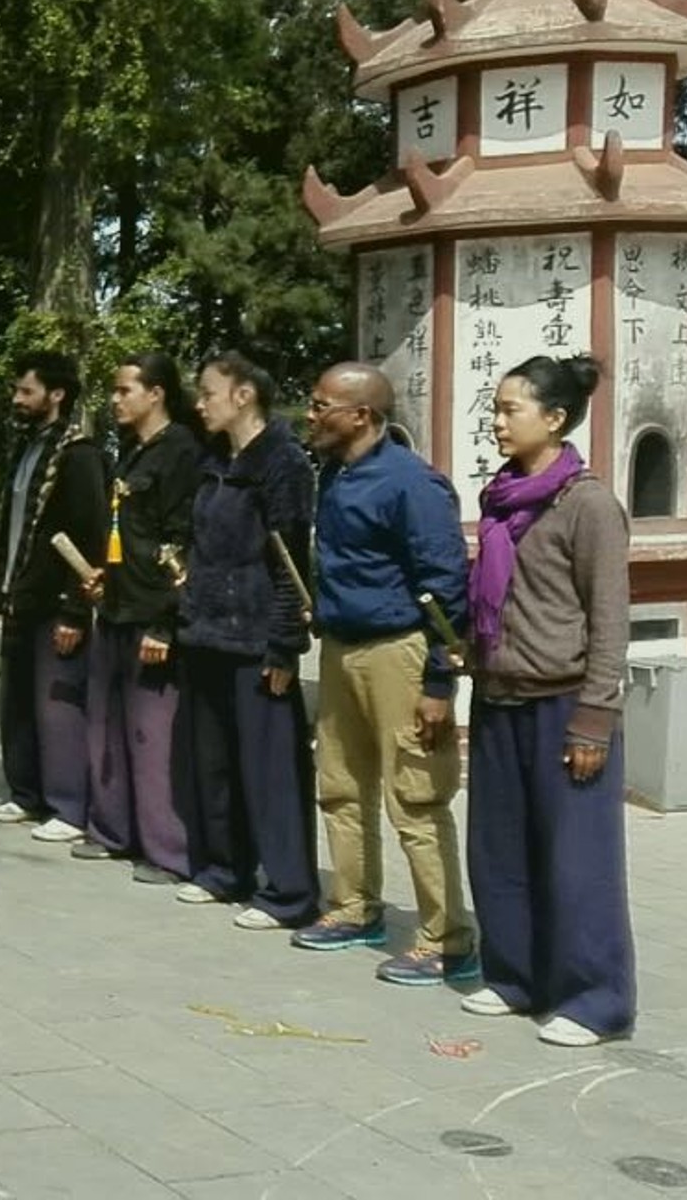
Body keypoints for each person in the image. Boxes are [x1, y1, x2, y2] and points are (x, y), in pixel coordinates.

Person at [460, 356, 633, 1046]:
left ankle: (595, 999)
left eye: (511, 409)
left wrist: (596, 717)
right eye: (496, 409)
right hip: (500, 695)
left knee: (577, 859)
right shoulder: (501, 498)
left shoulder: (588, 505)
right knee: (499, 850)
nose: (498, 422)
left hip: (565, 704)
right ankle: (514, 975)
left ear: (555, 418)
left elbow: (610, 618)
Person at [302, 363, 477, 986]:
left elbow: (446, 584)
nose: (310, 415)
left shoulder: (413, 484)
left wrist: (438, 682)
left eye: (321, 405)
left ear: (361, 415)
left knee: (415, 797)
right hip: (341, 647)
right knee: (340, 786)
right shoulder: (334, 473)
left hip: (397, 651)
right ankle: (354, 907)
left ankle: (446, 938)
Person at [176, 354, 321, 930]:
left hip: (257, 637)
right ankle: (225, 869)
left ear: (243, 396)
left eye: (208, 392)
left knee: (270, 771)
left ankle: (289, 891)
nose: (200, 403)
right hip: (207, 632)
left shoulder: (283, 463)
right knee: (214, 764)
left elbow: (291, 562)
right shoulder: (214, 461)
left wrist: (284, 644)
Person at [74, 354, 202, 884]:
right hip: (116, 605)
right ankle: (112, 829)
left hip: (152, 613)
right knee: (106, 727)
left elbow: (182, 541)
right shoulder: (130, 452)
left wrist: (166, 622)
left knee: (155, 738)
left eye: (125, 389)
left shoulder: (182, 453)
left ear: (157, 393)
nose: (115, 399)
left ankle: (168, 850)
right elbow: (125, 531)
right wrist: (105, 578)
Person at [0, 350, 107, 841]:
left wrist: (75, 610)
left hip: (55, 602)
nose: (17, 399)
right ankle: (26, 793)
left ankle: (69, 806)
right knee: (17, 701)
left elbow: (89, 535)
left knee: (58, 707)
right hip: (20, 594)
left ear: (56, 395)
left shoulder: (78, 456)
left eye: (27, 391)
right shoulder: (26, 448)